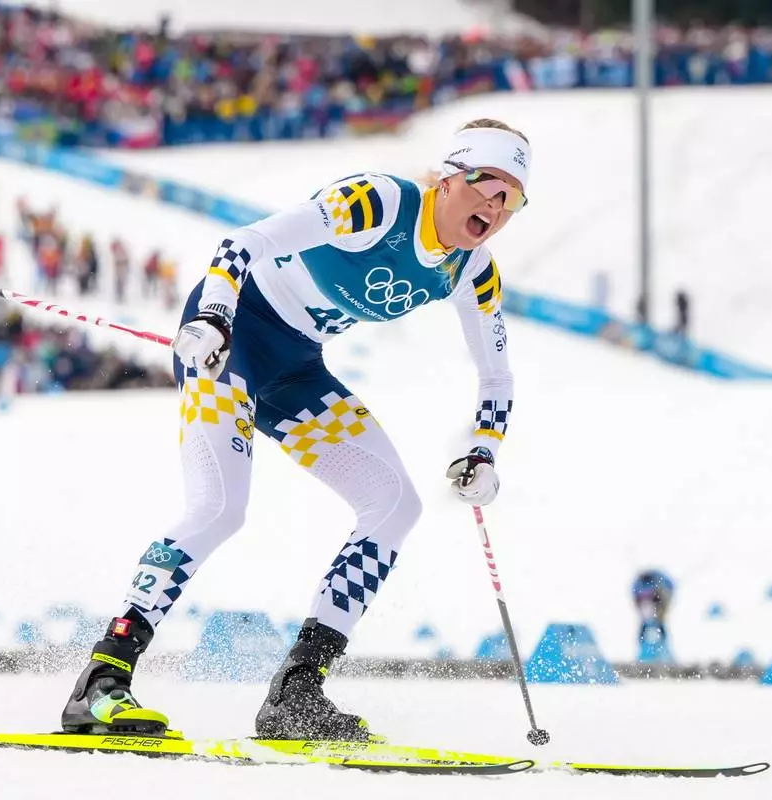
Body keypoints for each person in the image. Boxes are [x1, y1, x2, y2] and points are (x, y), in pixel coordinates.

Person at [61, 119, 527, 740]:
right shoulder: (379, 203)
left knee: (394, 504)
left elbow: (496, 376)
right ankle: (103, 680)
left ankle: (296, 695)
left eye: (512, 199)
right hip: (231, 343)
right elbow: (243, 243)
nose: (494, 208)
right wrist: (212, 316)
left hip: (296, 368)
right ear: (450, 177)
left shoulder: (472, 269)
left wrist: (484, 451)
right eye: (486, 185)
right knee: (220, 507)